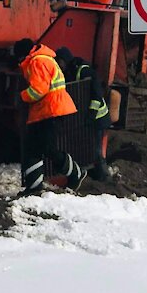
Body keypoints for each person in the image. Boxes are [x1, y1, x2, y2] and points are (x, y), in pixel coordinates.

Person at [14, 38, 86, 195]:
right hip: (48, 110)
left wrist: (22, 96)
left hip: (51, 110)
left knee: (46, 148)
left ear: (22, 54)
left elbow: (38, 90)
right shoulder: (44, 59)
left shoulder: (37, 62)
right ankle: (34, 187)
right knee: (34, 147)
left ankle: (76, 173)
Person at [71, 55, 111, 180]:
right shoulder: (82, 71)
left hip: (98, 118)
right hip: (97, 118)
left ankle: (102, 176)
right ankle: (98, 173)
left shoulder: (86, 72)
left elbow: (96, 96)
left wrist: (91, 115)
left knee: (96, 149)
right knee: (94, 147)